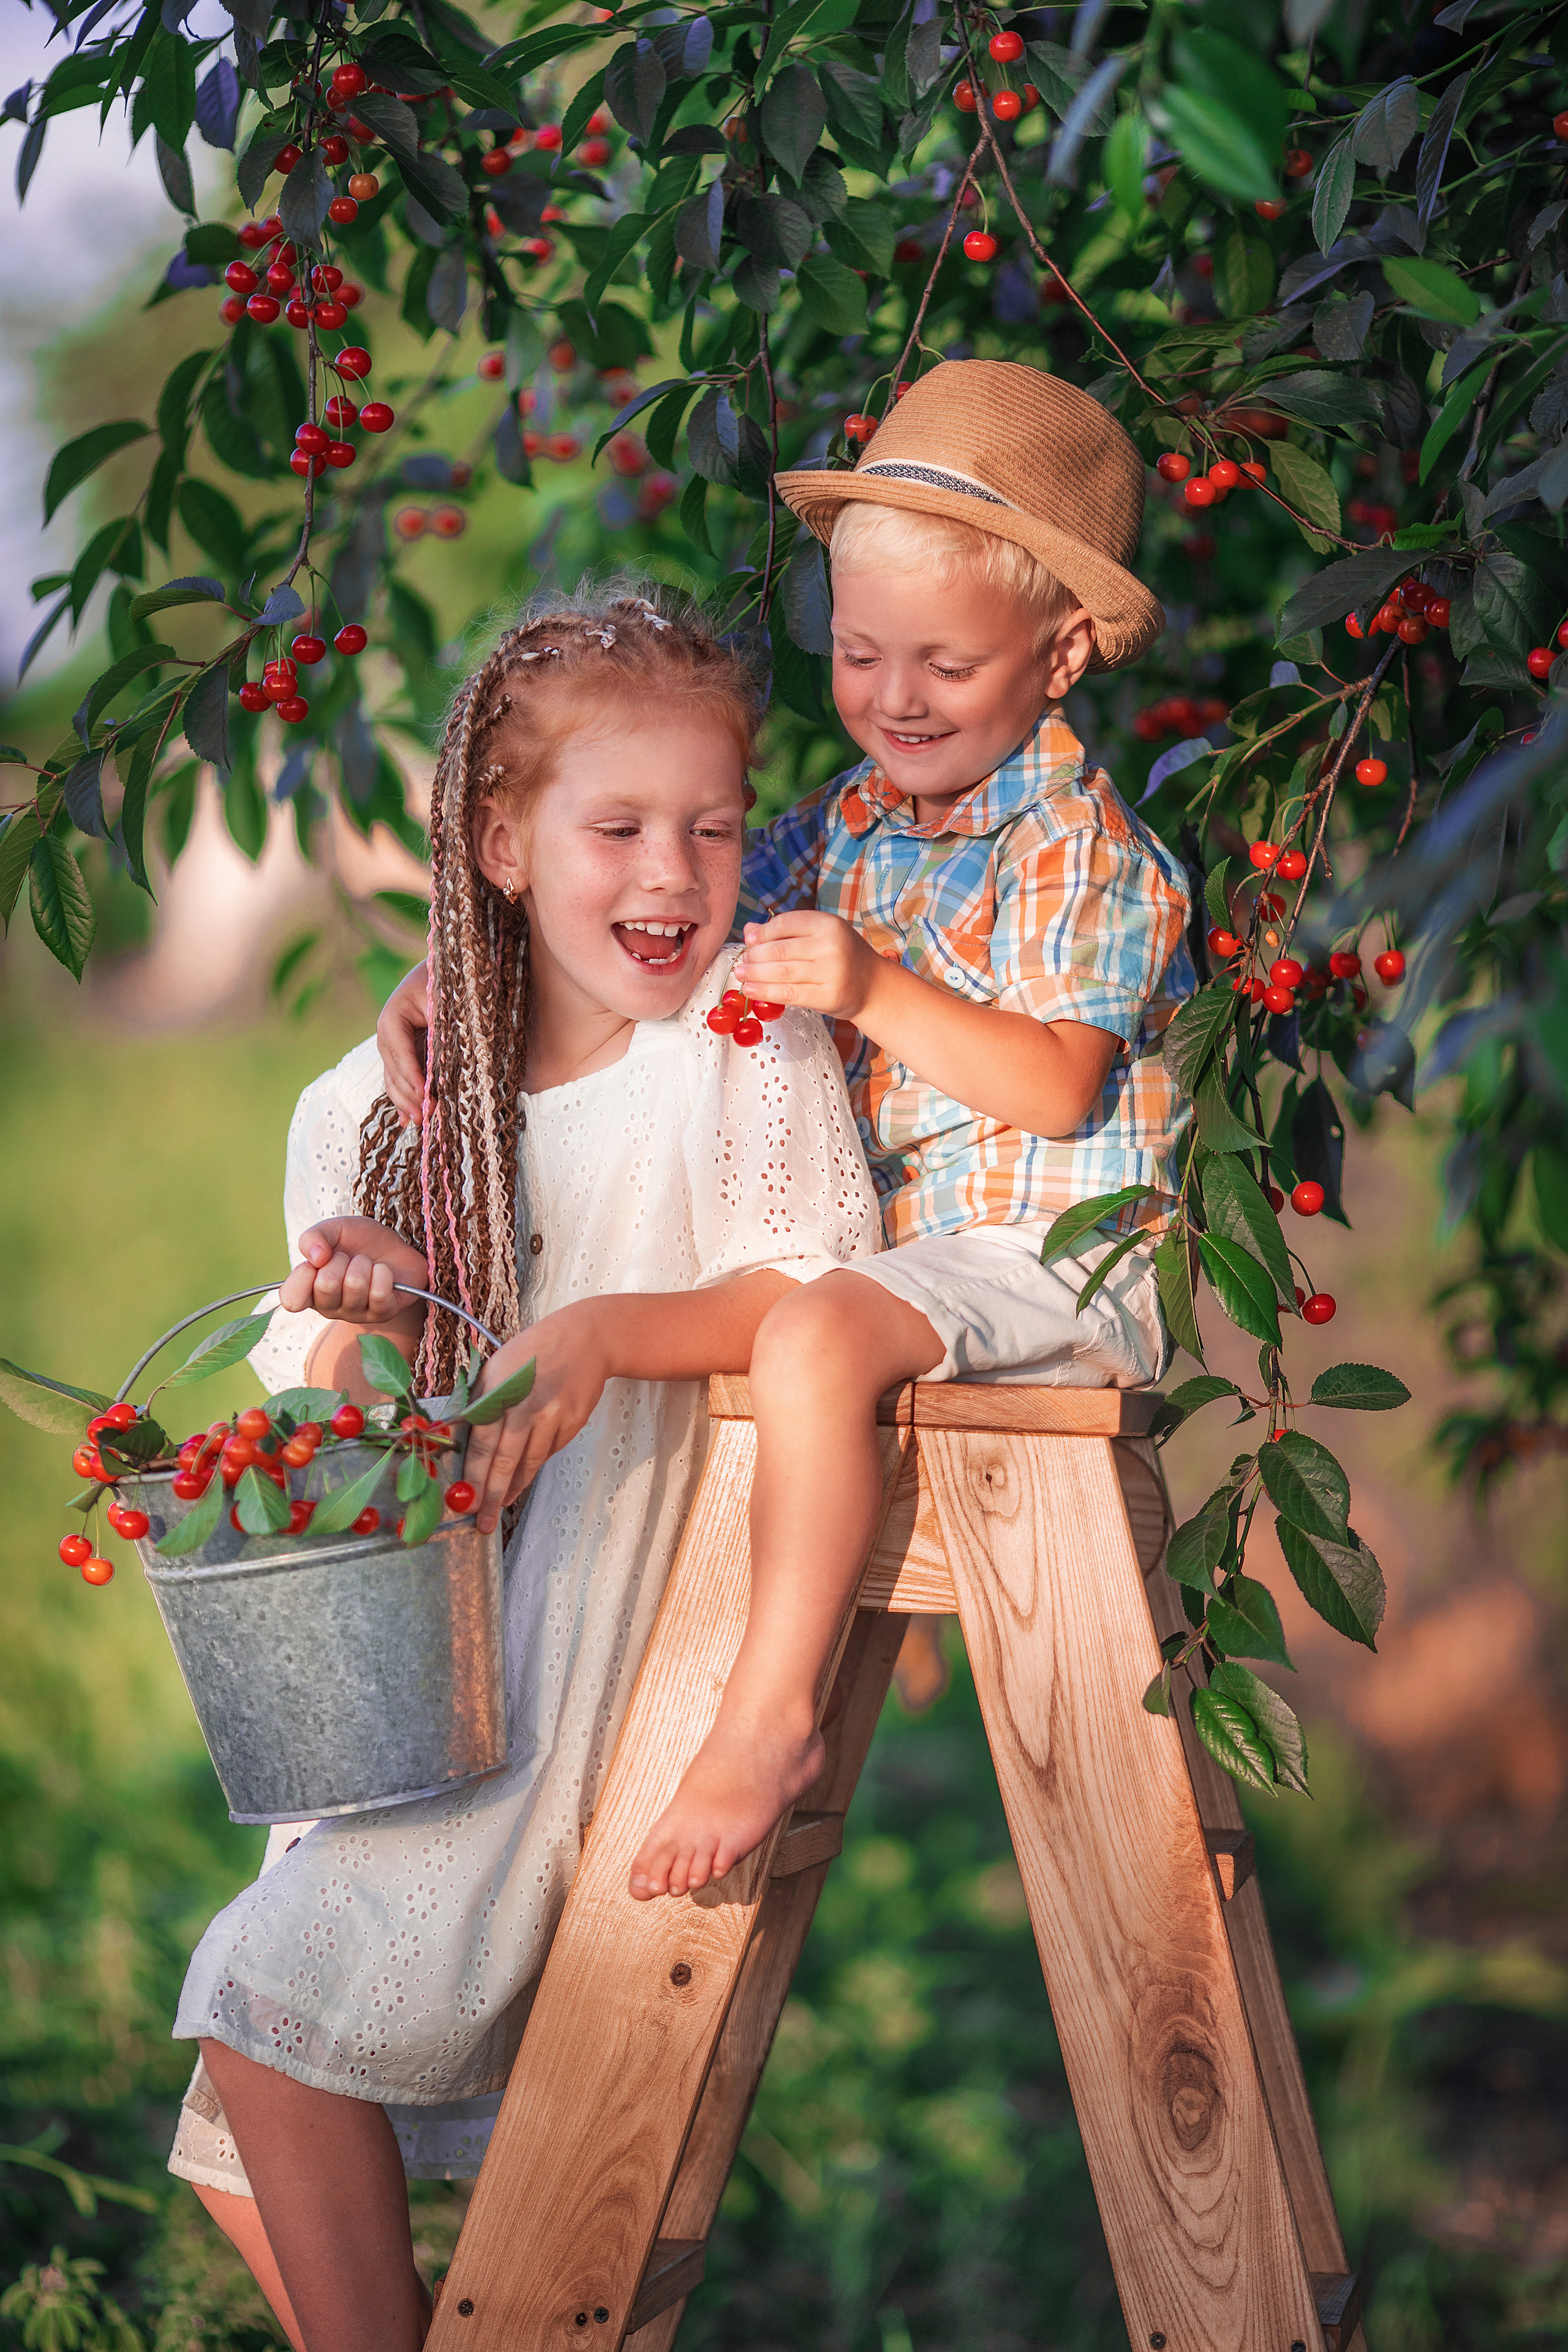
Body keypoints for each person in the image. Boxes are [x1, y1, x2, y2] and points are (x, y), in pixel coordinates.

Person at [378, 362, 1199, 1910]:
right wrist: (460, 962)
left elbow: (1055, 1093)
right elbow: (662, 935)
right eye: (864, 653)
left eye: (946, 664)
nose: (894, 698)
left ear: (1063, 652)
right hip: (916, 1273)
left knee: (808, 1338)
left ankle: (770, 1719)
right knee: (812, 1321)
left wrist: (875, 988)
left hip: (1055, 1266)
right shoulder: (841, 824)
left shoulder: (1093, 857)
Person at [167, 587, 883, 2352]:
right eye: (617, 828)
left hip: (605, 1632)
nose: (674, 873)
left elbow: (813, 1295)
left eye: (713, 828)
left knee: (260, 2015)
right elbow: (335, 1433)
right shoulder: (376, 1108)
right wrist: (366, 1312)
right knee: (237, 2127)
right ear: (500, 842)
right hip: (431, 1657)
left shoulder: (736, 1048)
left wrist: (601, 1332)